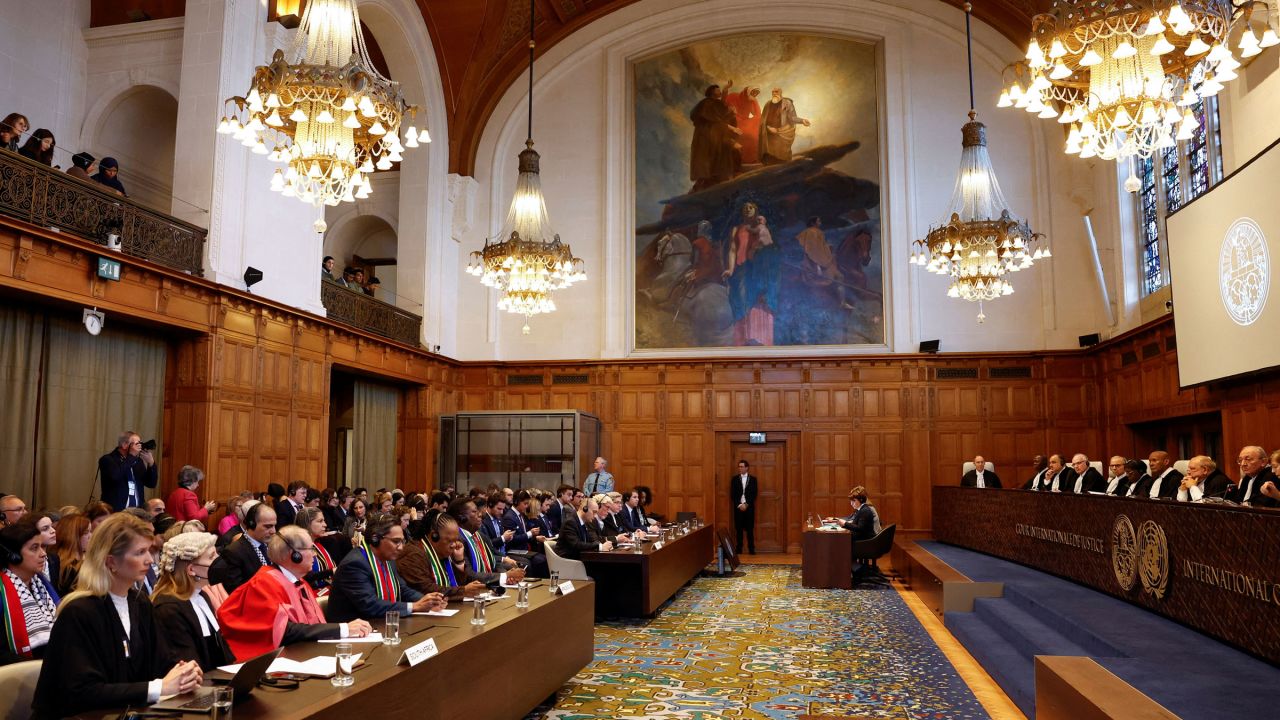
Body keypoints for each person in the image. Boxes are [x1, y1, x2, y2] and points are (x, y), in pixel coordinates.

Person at [31, 513, 203, 718]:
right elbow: (82, 692)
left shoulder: (139, 603)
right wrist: (159, 688)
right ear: (111, 561)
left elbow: (160, 659)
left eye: (148, 551)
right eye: (140, 552)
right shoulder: (78, 612)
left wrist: (184, 672)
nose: (149, 560)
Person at [219, 526, 373, 659]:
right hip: (271, 662)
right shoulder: (264, 584)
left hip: (305, 653)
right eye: (310, 549)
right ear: (294, 555)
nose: (314, 554)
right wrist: (343, 629)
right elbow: (286, 631)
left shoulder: (298, 581)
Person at [325, 517, 446, 623]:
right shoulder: (354, 564)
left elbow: (402, 589)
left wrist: (429, 601)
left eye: (402, 541)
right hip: (352, 633)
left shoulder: (388, 559)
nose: (401, 547)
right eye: (396, 541)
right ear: (375, 539)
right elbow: (370, 605)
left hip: (377, 625)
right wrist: (414, 606)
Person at [150, 532, 233, 671]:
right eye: (212, 556)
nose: (219, 560)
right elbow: (186, 663)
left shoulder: (202, 596)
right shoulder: (168, 608)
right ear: (191, 569)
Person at [0, 517, 60, 665]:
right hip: (18, 671)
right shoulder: (2, 592)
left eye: (42, 547)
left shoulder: (43, 584)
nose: (43, 554)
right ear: (13, 555)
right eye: (34, 548)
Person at [398, 513, 488, 600]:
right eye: (449, 540)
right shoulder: (414, 554)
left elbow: (459, 583)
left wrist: (459, 561)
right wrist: (463, 590)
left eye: (455, 540)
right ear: (434, 536)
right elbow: (426, 588)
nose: (453, 545)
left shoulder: (443, 552)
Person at [448, 498, 523, 583]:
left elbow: (492, 563)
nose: (480, 515)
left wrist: (506, 576)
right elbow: (469, 575)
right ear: (461, 517)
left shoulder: (480, 536)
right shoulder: (457, 540)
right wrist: (504, 576)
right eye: (474, 512)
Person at [209, 502, 277, 593]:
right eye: (268, 526)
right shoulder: (233, 552)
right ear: (252, 524)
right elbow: (236, 591)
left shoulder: (271, 546)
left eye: (274, 525)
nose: (273, 531)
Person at [688, 83, 741, 191]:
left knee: (721, 156)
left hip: (715, 136)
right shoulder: (707, 104)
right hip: (706, 137)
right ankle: (705, 182)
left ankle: (719, 178)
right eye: (718, 90)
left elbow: (721, 112)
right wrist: (731, 127)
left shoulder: (714, 103)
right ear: (711, 92)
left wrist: (726, 92)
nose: (720, 92)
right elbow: (716, 119)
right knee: (708, 161)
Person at [98, 430, 158, 511]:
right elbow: (115, 476)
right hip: (116, 512)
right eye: (137, 444)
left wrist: (151, 464)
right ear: (124, 444)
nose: (139, 447)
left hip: (137, 512)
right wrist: (131, 456)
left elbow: (151, 483)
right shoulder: (108, 459)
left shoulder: (137, 461)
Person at [297, 507, 346, 594]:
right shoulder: (299, 547)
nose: (325, 525)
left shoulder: (319, 543)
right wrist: (332, 571)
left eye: (324, 521)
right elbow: (306, 577)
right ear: (307, 524)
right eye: (320, 521)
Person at [759, 87, 810, 164]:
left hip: (782, 133)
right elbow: (763, 119)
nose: (774, 94)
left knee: (782, 156)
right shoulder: (767, 104)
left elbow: (792, 117)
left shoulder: (787, 103)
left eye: (776, 92)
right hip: (769, 134)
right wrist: (768, 127)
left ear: (780, 93)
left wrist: (802, 121)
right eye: (773, 92)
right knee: (770, 157)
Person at [53, 513, 91, 596]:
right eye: (86, 533)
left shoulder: (87, 560)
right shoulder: (66, 567)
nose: (90, 536)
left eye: (90, 532)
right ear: (72, 535)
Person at [730, 460, 757, 554]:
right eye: (739, 467)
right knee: (738, 529)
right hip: (738, 508)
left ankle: (751, 549)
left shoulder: (753, 479)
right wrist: (740, 505)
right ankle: (739, 548)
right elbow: (733, 494)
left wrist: (746, 504)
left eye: (742, 466)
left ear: (747, 467)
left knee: (750, 529)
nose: (740, 468)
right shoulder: (734, 479)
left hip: (749, 508)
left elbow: (754, 494)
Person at [480, 493, 516, 557]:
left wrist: (507, 538)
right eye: (499, 509)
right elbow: (487, 544)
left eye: (503, 509)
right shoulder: (483, 521)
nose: (502, 512)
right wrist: (503, 538)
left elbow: (501, 541)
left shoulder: (499, 518)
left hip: (504, 553)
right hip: (493, 556)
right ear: (490, 505)